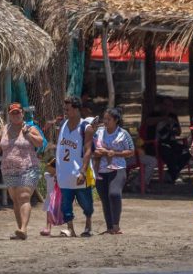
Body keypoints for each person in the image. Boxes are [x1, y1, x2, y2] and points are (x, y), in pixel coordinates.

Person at [0, 103, 44, 240]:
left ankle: (23, 228)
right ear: (9, 115)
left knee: (24, 197)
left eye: (18, 112)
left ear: (22, 114)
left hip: (28, 168)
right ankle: (20, 230)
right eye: (13, 113)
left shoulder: (30, 128)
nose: (15, 115)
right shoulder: (4, 130)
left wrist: (28, 135)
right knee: (15, 199)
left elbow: (40, 142)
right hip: (8, 170)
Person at [56, 96, 95, 237]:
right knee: (66, 204)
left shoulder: (86, 128)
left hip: (79, 172)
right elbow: (60, 149)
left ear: (77, 109)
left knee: (86, 203)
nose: (66, 112)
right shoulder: (62, 125)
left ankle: (88, 224)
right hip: (64, 172)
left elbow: (88, 150)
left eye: (68, 109)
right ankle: (70, 229)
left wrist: (83, 171)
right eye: (65, 109)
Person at [94, 107, 134, 235]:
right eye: (104, 118)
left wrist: (114, 153)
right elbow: (91, 146)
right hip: (101, 169)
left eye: (109, 119)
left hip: (117, 169)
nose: (105, 121)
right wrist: (97, 153)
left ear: (116, 120)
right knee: (105, 199)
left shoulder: (123, 133)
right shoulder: (99, 132)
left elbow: (131, 151)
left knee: (114, 194)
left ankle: (116, 225)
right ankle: (110, 227)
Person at [154, 97, 187, 183]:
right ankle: (174, 175)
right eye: (165, 105)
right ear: (161, 105)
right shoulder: (155, 114)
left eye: (170, 105)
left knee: (188, 151)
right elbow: (148, 122)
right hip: (159, 144)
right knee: (169, 152)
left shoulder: (173, 116)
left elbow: (178, 132)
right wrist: (164, 119)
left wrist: (174, 129)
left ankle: (171, 174)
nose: (167, 107)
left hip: (172, 142)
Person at [39, 159, 64, 236]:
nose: (48, 170)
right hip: (50, 198)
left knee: (62, 213)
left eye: (50, 168)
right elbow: (48, 167)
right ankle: (48, 228)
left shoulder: (60, 176)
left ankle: (67, 227)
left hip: (58, 198)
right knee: (49, 213)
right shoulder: (47, 175)